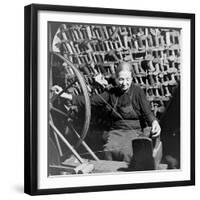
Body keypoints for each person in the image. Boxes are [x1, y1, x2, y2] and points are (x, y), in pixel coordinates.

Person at [51, 62, 161, 164]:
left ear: (132, 78)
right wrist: (64, 95)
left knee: (129, 154)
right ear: (116, 79)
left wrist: (154, 122)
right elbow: (89, 100)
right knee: (108, 151)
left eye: (128, 79)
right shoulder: (111, 93)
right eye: (121, 79)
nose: (124, 83)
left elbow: (148, 113)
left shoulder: (137, 91)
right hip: (117, 131)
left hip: (135, 131)